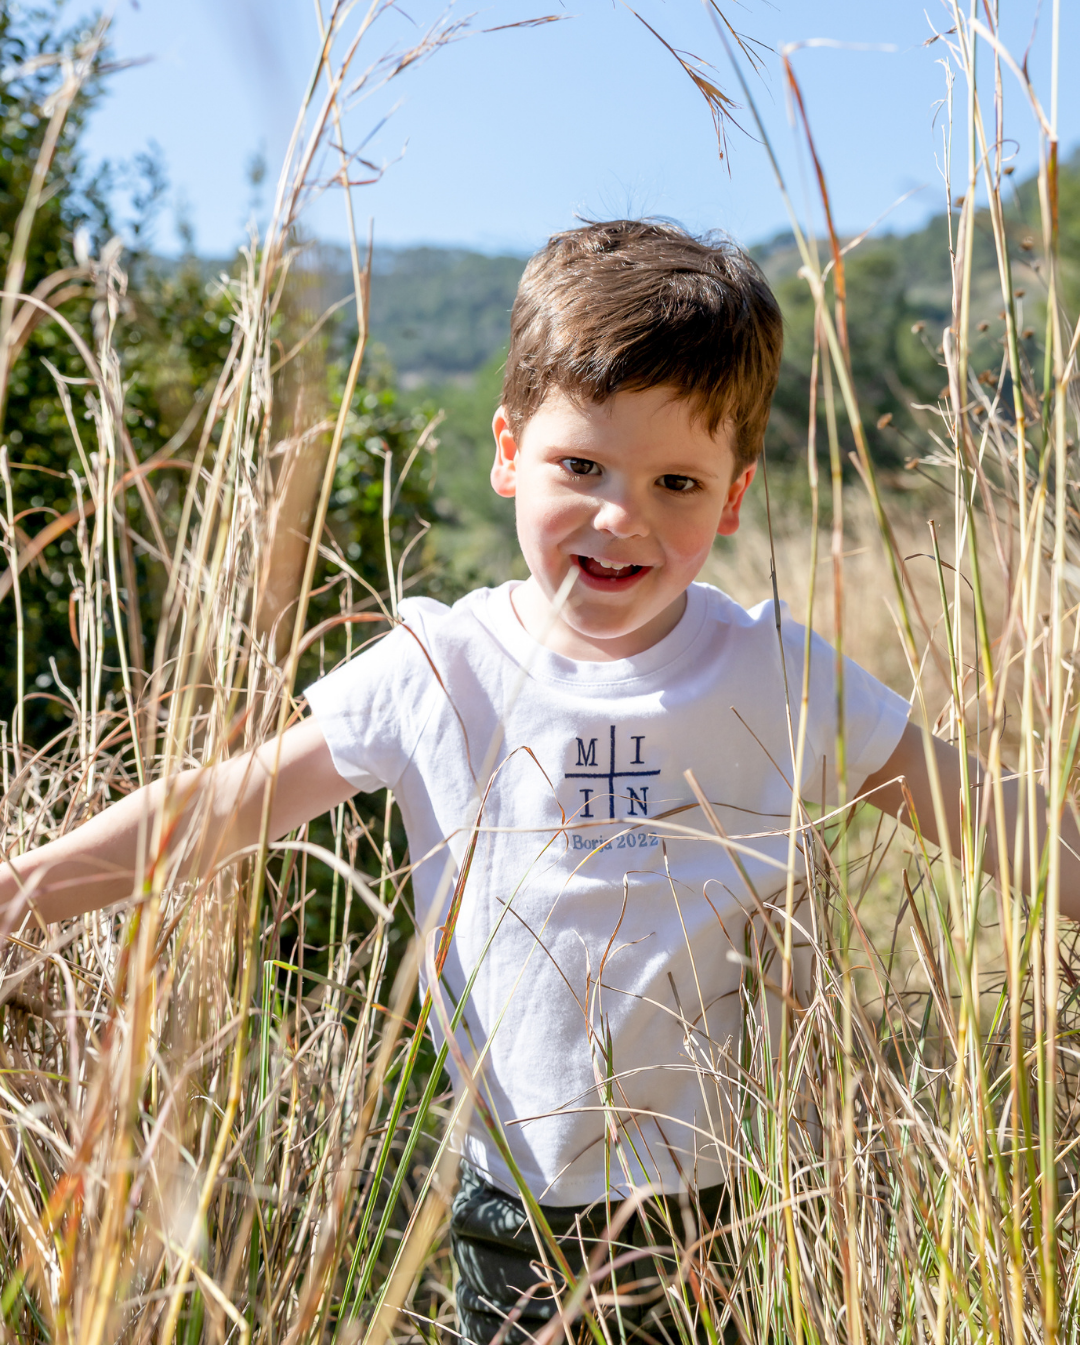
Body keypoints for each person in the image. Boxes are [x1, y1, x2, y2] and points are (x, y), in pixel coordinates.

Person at [1, 220, 1077, 1343]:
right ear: (508, 449)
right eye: (582, 467)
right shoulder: (441, 667)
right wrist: (22, 891)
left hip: (706, 1203)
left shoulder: (772, 669)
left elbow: (974, 803)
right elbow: (224, 804)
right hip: (507, 1194)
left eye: (676, 482)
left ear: (734, 497)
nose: (624, 518)